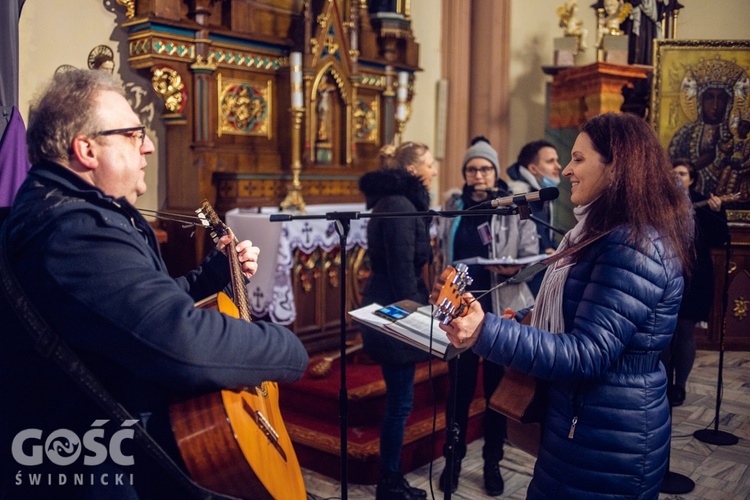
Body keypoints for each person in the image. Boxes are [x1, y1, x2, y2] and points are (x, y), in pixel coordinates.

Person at [0, 69, 309, 499]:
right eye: (133, 134)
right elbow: (181, 344)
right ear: (86, 149)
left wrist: (214, 275)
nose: (147, 145)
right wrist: (286, 346)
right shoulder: (72, 231)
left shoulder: (84, 213)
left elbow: (136, 310)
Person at [439, 112, 694, 498]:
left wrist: (486, 330)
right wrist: (526, 319)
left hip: (608, 435)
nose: (566, 172)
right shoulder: (605, 231)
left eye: (577, 159)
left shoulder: (632, 243)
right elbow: (585, 314)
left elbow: (589, 353)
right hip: (587, 423)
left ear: (617, 165)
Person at [436, 137, 539, 496]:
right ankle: (453, 461)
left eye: (484, 168)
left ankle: (492, 462)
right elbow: (441, 252)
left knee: (496, 393)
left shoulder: (512, 206)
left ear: (495, 172)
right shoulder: (454, 205)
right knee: (459, 394)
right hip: (459, 313)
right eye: (471, 168)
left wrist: (512, 269)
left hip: (498, 313)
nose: (478, 175)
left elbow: (531, 255)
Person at [358, 141, 437, 500]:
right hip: (394, 310)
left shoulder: (397, 202)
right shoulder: (400, 206)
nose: (434, 171)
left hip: (394, 304)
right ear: (411, 170)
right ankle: (389, 482)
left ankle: (392, 478)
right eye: (430, 164)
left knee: (400, 401)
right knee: (400, 403)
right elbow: (403, 272)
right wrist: (420, 318)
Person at [662, 158, 729, 406]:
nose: (676, 177)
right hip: (666, 274)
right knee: (665, 332)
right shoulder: (661, 203)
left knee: (685, 330)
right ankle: (665, 383)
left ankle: (680, 386)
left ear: (691, 179)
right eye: (672, 173)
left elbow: (720, 238)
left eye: (681, 173)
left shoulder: (704, 203)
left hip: (695, 277)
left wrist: (715, 212)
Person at [506, 139, 562, 295]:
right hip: (524, 284)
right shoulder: (519, 197)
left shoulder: (543, 195)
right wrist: (545, 250)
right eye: (551, 161)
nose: (558, 166)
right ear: (533, 168)